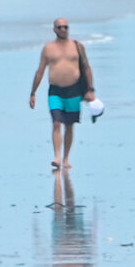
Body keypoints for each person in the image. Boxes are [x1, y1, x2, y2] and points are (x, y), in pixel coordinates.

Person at [30, 19, 97, 172]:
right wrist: (33, 92)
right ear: (54, 29)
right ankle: (57, 157)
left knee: (69, 125)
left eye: (65, 27)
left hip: (74, 91)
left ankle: (66, 158)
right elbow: (40, 71)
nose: (63, 29)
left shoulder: (77, 47)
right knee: (56, 123)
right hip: (55, 91)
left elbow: (86, 68)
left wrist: (90, 89)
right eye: (59, 27)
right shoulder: (48, 49)